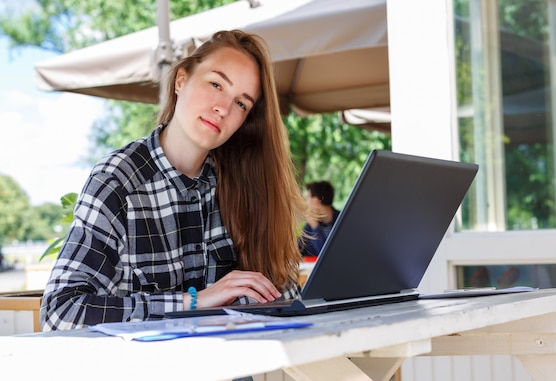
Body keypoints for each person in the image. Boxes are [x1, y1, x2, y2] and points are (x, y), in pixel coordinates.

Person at [40, 30, 308, 331]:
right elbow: (60, 312)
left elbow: (283, 297)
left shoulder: (245, 185)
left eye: (242, 104)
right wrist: (193, 302)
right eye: (216, 84)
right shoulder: (118, 181)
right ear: (181, 80)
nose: (223, 108)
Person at [299, 181, 341, 257]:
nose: (305, 203)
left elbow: (326, 256)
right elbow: (298, 250)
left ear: (316, 200)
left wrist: (315, 227)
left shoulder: (341, 221)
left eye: (307, 198)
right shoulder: (310, 225)